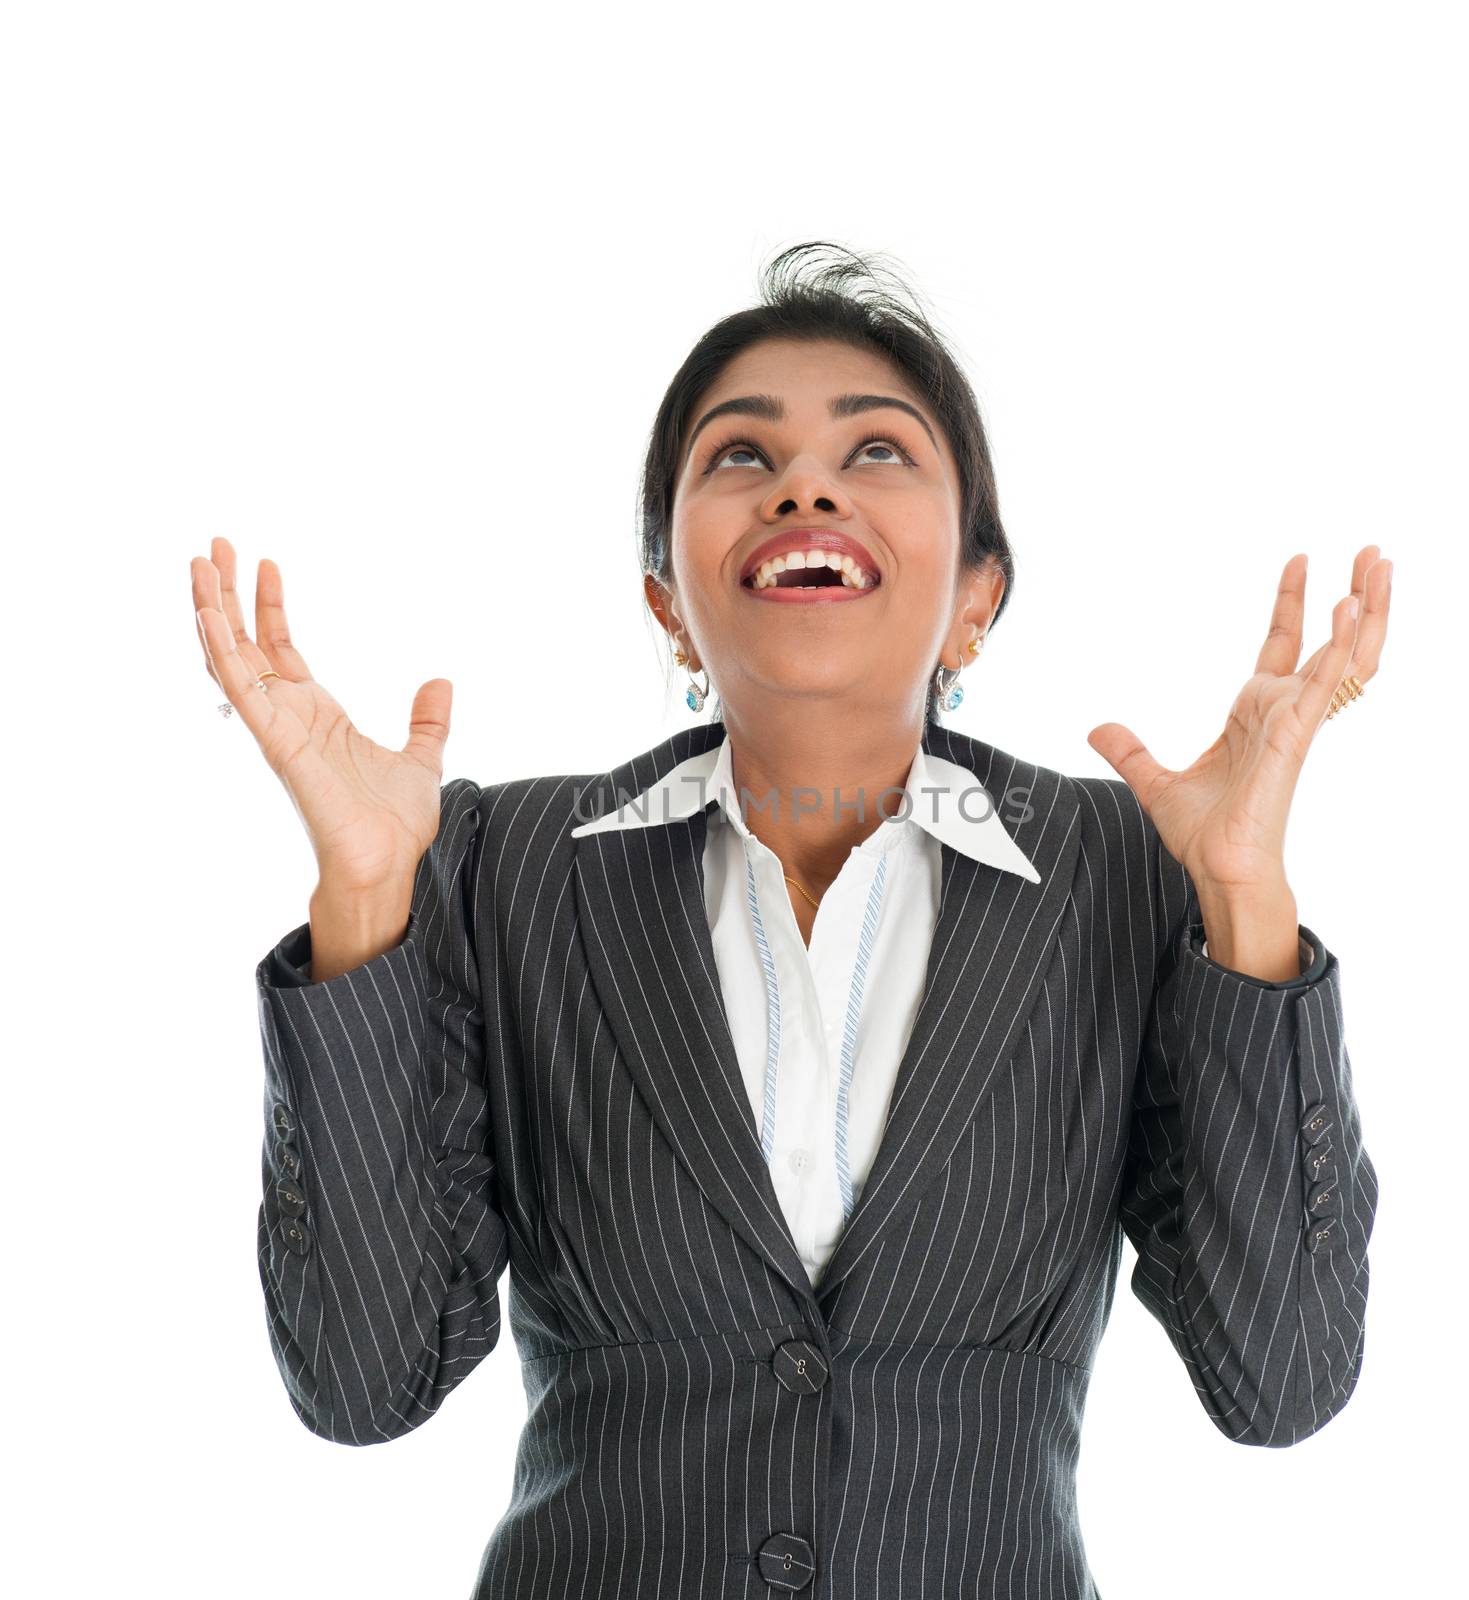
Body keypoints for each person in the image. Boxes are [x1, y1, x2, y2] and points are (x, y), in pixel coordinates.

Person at [192, 242, 1388, 1599]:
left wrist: (1243, 898)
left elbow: (1281, 1378)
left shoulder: (1126, 875)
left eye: (878, 451)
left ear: (975, 604)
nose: (805, 484)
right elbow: (362, 1382)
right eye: (740, 458)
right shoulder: (497, 868)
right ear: (671, 609)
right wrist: (364, 901)